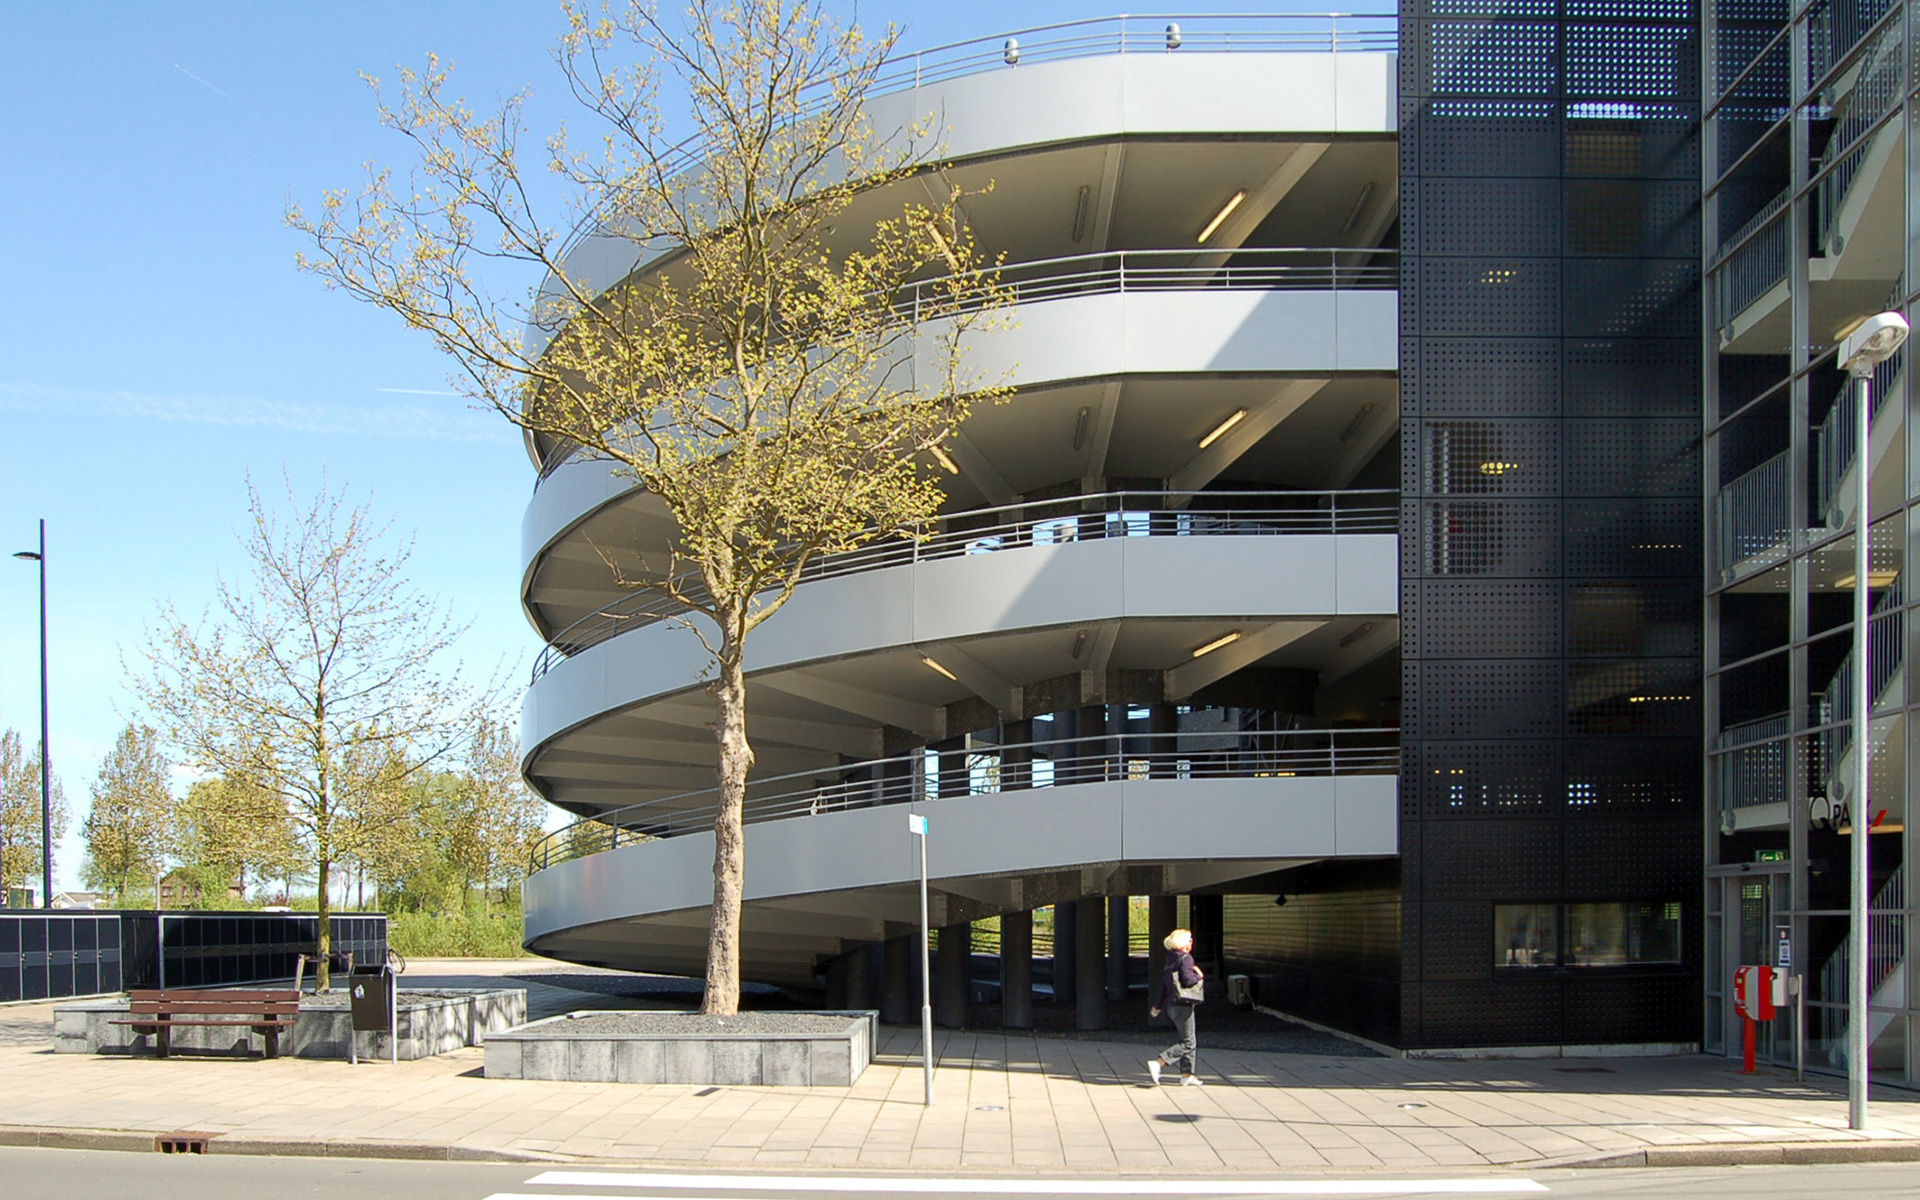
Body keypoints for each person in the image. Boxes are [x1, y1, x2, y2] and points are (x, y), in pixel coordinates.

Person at [1147, 927, 1204, 1086]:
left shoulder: (1171, 959)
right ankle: (1159, 1062)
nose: (1192, 942)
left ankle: (1187, 1074)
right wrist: (1198, 977)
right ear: (1185, 943)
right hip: (1183, 1005)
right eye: (1190, 939)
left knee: (1186, 1038)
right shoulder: (1186, 958)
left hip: (1172, 1006)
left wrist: (1157, 1005)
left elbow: (1165, 985)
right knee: (1188, 1043)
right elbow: (1187, 980)